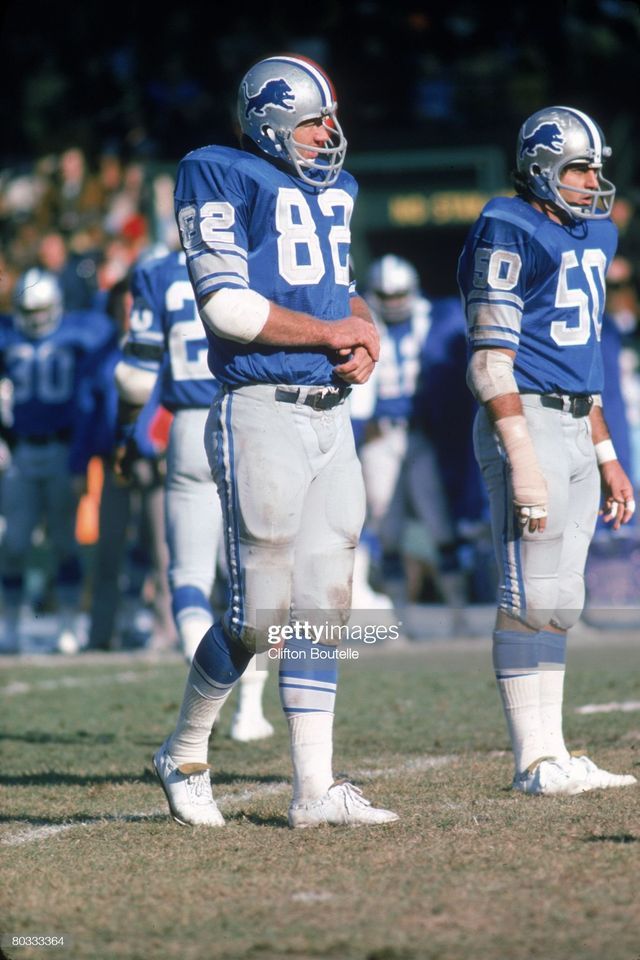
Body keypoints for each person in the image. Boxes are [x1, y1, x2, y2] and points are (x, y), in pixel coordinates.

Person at [152, 53, 398, 828]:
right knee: (258, 610)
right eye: (313, 119)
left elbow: (336, 281)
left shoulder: (336, 189)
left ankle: (314, 790)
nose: (330, 132)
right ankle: (184, 752)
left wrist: (362, 327)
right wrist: (334, 329)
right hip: (259, 404)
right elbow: (226, 306)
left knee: (324, 604)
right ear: (267, 121)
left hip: (331, 411)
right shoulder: (217, 171)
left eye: (329, 117)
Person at [458, 105, 638, 795]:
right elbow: (488, 362)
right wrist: (521, 452)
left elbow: (577, 357)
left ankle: (553, 756)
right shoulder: (509, 224)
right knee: (529, 592)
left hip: (573, 418)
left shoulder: (595, 235)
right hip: (524, 417)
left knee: (563, 597)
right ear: (540, 169)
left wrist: (607, 452)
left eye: (597, 167)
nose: (594, 180)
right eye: (578, 168)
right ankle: (532, 761)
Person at [114, 248, 274, 740]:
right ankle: (250, 709)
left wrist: (125, 433)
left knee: (188, 575)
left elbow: (136, 374)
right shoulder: (257, 254)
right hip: (250, 416)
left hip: (187, 427)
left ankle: (209, 696)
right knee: (260, 575)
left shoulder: (156, 272)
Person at [0, 268, 115, 653]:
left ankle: (68, 624)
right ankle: (10, 626)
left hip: (64, 450)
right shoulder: (7, 336)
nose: (34, 318)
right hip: (20, 452)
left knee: (65, 542)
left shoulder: (80, 332)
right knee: (14, 543)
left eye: (42, 309)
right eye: (27, 310)